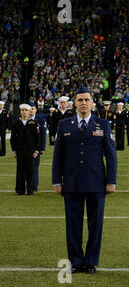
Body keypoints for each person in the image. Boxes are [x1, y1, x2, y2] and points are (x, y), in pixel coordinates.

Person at [52, 85, 117, 274]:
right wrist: (57, 181)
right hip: (71, 183)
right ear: (75, 103)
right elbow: (58, 156)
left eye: (87, 100)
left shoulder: (102, 125)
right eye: (80, 100)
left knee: (95, 224)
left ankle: (90, 261)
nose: (83, 103)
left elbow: (111, 155)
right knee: (73, 225)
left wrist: (111, 181)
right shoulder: (64, 125)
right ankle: (75, 261)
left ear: (92, 103)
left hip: (96, 183)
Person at [10, 104, 40, 195]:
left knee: (30, 170)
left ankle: (30, 190)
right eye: (22, 110)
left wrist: (36, 151)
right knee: (20, 170)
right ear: (20, 111)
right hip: (19, 150)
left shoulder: (34, 123)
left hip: (30, 151)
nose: (24, 112)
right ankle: (19, 190)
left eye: (26, 110)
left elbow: (37, 138)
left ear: (29, 111)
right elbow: (13, 139)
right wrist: (14, 151)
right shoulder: (16, 123)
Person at [29, 103, 47, 192]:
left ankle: (34, 185)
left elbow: (43, 134)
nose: (31, 110)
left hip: (37, 147)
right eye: (30, 108)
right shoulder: (25, 120)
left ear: (36, 109)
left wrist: (42, 148)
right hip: (26, 148)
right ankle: (28, 185)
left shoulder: (40, 120)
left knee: (35, 167)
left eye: (32, 108)